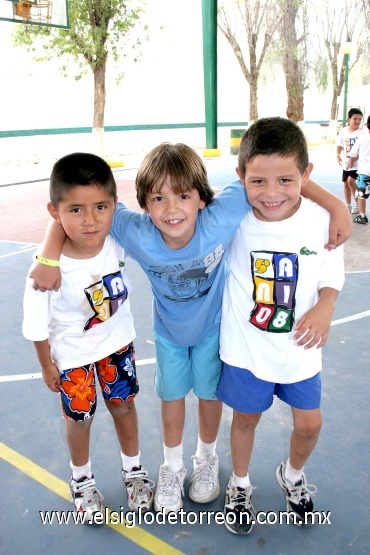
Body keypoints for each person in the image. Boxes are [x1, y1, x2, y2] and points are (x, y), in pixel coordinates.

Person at [29, 143, 351, 515]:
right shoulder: (133, 230)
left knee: (210, 398)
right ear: (144, 205)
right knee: (172, 399)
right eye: (158, 198)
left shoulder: (221, 215)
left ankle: (206, 458)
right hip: (168, 334)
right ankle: (172, 466)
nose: (171, 209)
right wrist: (48, 256)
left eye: (183, 195)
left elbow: (270, 180)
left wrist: (336, 204)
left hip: (215, 331)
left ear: (202, 199)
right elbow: (77, 206)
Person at [217, 117, 344, 535]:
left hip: (300, 348)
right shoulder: (231, 219)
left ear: (306, 176)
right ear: (241, 178)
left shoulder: (320, 219)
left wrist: (325, 306)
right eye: (258, 182)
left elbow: (331, 275)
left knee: (310, 424)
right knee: (245, 420)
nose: (271, 193)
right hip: (246, 349)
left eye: (286, 180)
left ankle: (291, 475)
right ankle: (239, 484)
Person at [22, 153, 154, 522]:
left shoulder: (116, 239)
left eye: (100, 207)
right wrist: (46, 364)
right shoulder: (46, 268)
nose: (91, 220)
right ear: (55, 212)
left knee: (124, 407)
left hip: (117, 345)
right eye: (75, 210)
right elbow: (36, 322)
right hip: (72, 356)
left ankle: (134, 472)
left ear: (113, 205)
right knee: (79, 419)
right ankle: (81, 480)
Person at [336, 107, 365, 214]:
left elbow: (361, 150)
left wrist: (353, 161)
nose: (357, 121)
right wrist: (338, 155)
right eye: (355, 119)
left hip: (358, 164)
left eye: (360, 119)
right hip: (346, 162)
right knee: (345, 183)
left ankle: (356, 204)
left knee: (351, 181)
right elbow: (339, 144)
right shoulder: (344, 131)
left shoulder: (362, 133)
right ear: (349, 119)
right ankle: (347, 205)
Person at [346, 114, 370, 225]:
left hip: (365, 171)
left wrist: (350, 162)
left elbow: (352, 153)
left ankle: (362, 216)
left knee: (362, 194)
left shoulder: (363, 138)